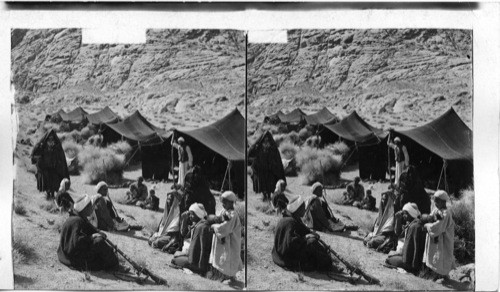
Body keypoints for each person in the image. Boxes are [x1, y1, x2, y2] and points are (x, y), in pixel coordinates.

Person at [272, 194, 340, 272]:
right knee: (312, 243)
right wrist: (305, 238)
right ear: (298, 209)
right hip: (287, 258)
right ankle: (327, 266)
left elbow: (302, 230)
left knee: (313, 241)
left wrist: (311, 234)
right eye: (303, 207)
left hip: (281, 254)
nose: (305, 208)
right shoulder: (290, 222)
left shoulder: (291, 218)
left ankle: (326, 261)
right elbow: (291, 243)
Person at [57, 194, 119, 271]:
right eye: (90, 206)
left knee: (100, 242)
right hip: (73, 259)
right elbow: (76, 242)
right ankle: (115, 266)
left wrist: (99, 233)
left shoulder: (78, 217)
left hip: (67, 255)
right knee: (99, 242)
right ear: (85, 208)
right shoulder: (77, 221)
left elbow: (89, 230)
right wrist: (91, 237)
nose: (93, 208)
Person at [208, 191, 243, 282]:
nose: (223, 204)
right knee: (220, 257)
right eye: (222, 202)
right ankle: (220, 275)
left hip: (230, 242)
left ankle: (227, 276)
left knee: (227, 258)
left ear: (231, 203)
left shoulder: (233, 215)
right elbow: (218, 218)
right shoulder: (224, 211)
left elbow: (225, 228)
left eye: (225, 202)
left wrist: (214, 226)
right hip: (222, 240)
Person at [171, 203, 213, 276]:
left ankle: (194, 269)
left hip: (196, 263)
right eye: (189, 214)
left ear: (198, 214)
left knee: (174, 260)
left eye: (192, 214)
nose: (190, 216)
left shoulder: (200, 227)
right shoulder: (203, 224)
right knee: (177, 255)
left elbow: (194, 250)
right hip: (204, 262)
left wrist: (188, 258)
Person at [422, 190, 455, 281]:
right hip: (437, 238)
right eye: (435, 201)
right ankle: (436, 273)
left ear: (444, 202)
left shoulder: (446, 213)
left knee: (442, 255)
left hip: (444, 239)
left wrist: (427, 226)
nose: (435, 203)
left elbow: (438, 226)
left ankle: (442, 274)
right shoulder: (436, 210)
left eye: (438, 201)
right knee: (435, 255)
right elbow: (430, 217)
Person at [385, 203, 426, 274]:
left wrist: (405, 261)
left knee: (388, 260)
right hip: (416, 261)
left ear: (410, 213)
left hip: (410, 262)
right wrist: (398, 220)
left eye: (405, 213)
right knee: (392, 254)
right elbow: (398, 233)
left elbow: (408, 249)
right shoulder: (415, 223)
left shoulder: (413, 227)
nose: (403, 216)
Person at [31, 129, 69, 200]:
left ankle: (52, 194)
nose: (51, 140)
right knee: (46, 181)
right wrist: (39, 161)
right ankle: (48, 195)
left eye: (52, 138)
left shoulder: (57, 147)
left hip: (54, 168)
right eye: (49, 138)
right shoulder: (42, 146)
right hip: (45, 169)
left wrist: (59, 165)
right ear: (47, 138)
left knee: (55, 182)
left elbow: (61, 157)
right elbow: (35, 155)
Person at [248, 131, 286, 201]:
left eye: (267, 138)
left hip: (270, 170)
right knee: (262, 184)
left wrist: (274, 165)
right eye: (265, 138)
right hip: (261, 169)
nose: (266, 140)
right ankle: (265, 196)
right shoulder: (258, 147)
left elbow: (277, 158)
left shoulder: (273, 147)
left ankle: (268, 196)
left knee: (270, 184)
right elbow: (250, 154)